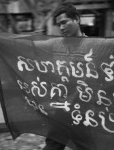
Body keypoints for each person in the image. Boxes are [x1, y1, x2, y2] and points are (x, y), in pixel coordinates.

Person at [43, 2, 86, 150]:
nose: (61, 28)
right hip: (61, 111)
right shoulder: (56, 46)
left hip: (87, 113)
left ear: (77, 19)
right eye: (58, 24)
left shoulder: (95, 47)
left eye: (64, 22)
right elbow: (28, 46)